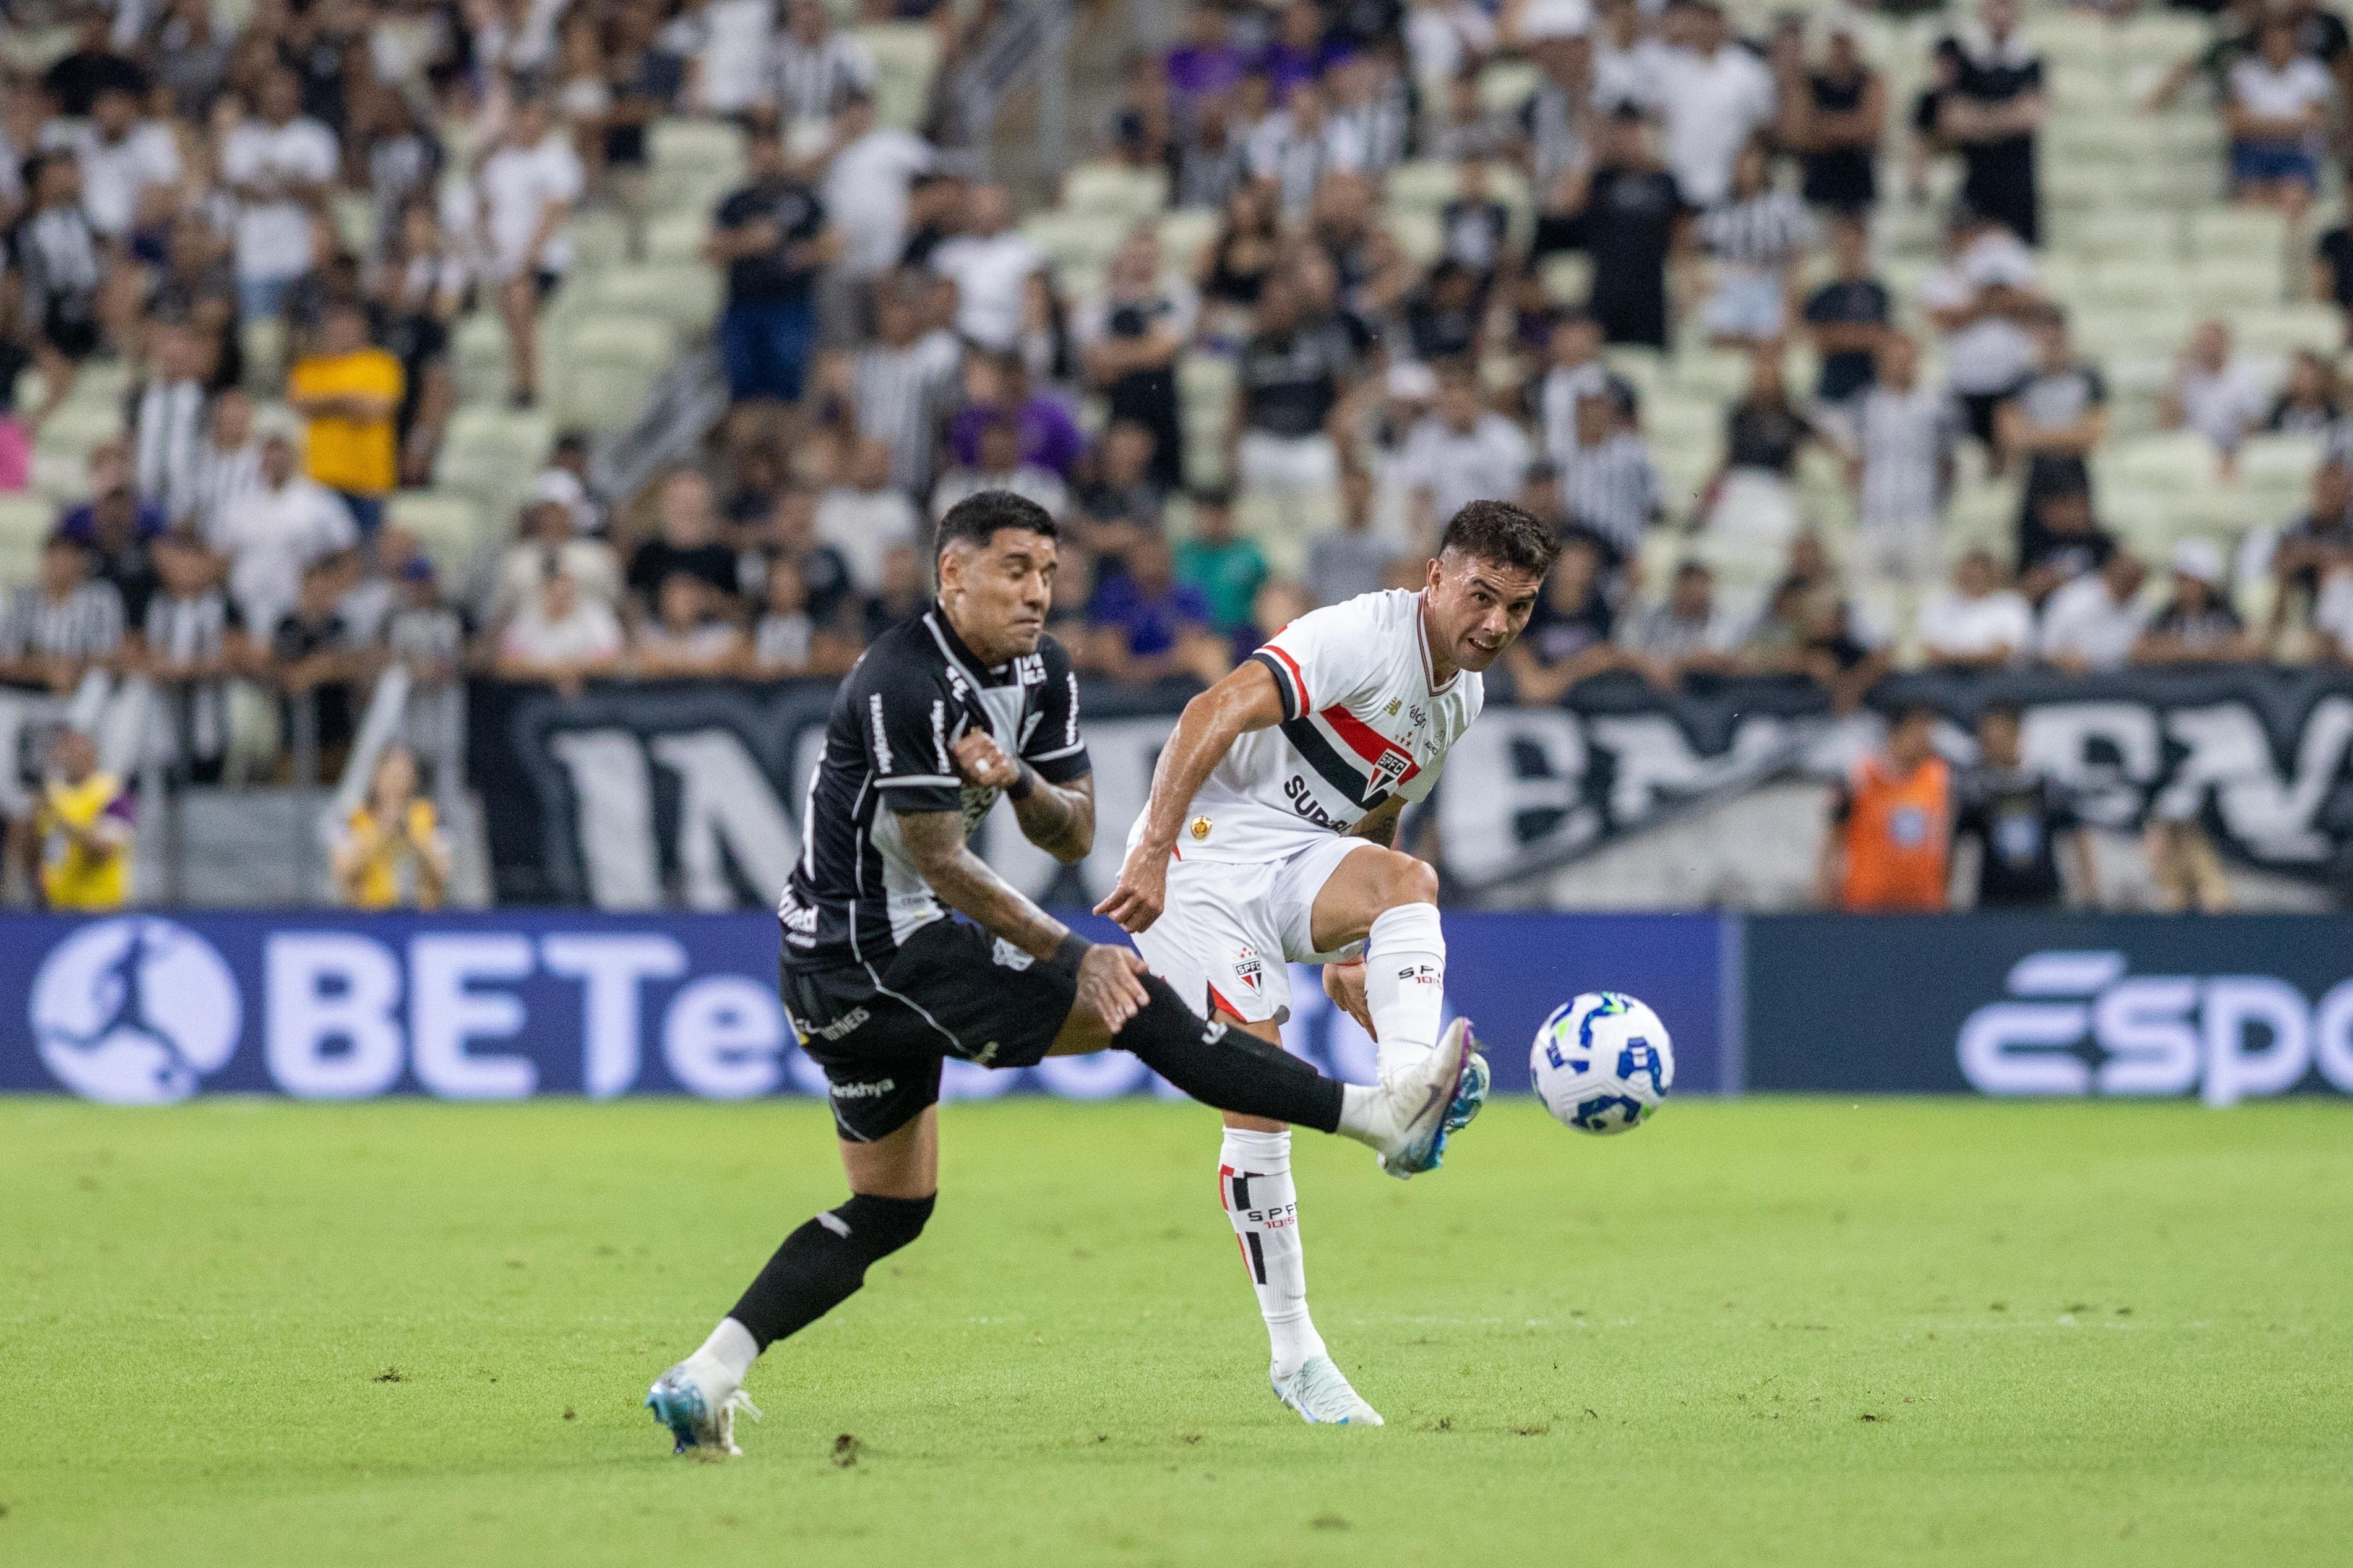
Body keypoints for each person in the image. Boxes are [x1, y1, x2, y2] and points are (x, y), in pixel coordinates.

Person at [645, 490, 1476, 1455]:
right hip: (872, 954)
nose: (1036, 591)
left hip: (847, 973)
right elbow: (942, 862)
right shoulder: (900, 680)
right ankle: (1376, 1115)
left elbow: (1072, 830)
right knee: (1139, 1006)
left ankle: (705, 1375)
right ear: (951, 573)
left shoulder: (1043, 671)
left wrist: (1016, 780)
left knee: (890, 1209)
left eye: (1046, 571)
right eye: (1013, 570)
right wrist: (1073, 954)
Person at [1090, 499, 1554, 1426]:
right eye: (1481, 596)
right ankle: (1295, 1354)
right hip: (1200, 860)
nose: (1496, 623)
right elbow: (1211, 707)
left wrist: (1352, 950)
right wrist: (1150, 849)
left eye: (1519, 606)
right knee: (1258, 1095)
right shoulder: (1359, 637)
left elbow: (1379, 810)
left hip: (1293, 858)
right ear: (1435, 578)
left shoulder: (1460, 696)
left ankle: (1407, 1091)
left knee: (1409, 882)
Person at [707, 119, 835, 407]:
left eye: (770, 150)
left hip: (790, 306)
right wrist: (748, 241)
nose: (765, 159)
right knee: (744, 391)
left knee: (787, 389)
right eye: (758, 151)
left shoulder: (803, 199)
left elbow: (832, 245)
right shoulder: (736, 202)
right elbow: (711, 251)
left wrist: (801, 255)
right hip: (743, 305)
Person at [476, 95, 585, 408]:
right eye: (521, 115)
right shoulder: (499, 162)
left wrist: (527, 261)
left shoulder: (557, 159)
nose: (526, 122)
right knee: (508, 302)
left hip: (545, 262)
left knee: (519, 298)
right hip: (504, 263)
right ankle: (518, 378)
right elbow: (485, 207)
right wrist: (488, 244)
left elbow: (554, 213)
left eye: (532, 115)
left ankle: (528, 386)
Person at [1954, 703, 2096, 912]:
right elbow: (1958, 843)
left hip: (2044, 899)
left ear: (2016, 734)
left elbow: (2077, 834)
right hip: (1994, 902)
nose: (1990, 745)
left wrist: (2090, 890)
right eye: (1985, 739)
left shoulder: (2045, 785)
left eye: (1996, 738)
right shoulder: (1978, 790)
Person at [1816, 704, 1951, 913]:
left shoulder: (1938, 776)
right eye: (1917, 733)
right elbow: (1833, 835)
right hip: (1867, 904)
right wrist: (1822, 890)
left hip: (1923, 905)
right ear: (1896, 733)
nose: (1924, 741)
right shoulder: (1857, 775)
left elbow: (1944, 842)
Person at [286, 301, 403, 533]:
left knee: (367, 546)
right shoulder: (309, 367)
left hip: (369, 480)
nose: (342, 331)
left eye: (349, 325)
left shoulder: (381, 363)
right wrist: (349, 401)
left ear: (362, 327)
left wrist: (326, 403)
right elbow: (298, 404)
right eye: (336, 325)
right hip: (321, 480)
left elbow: (379, 408)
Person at [1849, 333, 1957, 586]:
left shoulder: (1937, 404)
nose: (1900, 365)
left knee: (1927, 589)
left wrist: (1940, 500)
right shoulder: (1866, 404)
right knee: (1869, 593)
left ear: (1917, 361)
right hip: (1876, 513)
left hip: (1922, 513)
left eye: (1905, 359)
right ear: (1881, 363)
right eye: (1893, 359)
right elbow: (1854, 458)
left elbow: (1948, 459)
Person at [1939, 0, 2044, 247]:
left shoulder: (2031, 64)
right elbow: (1953, 119)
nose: (2000, 14)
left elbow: (2031, 117)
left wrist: (1978, 119)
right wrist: (2009, 116)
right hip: (1977, 182)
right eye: (1994, 5)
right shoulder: (1966, 63)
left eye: (2005, 5)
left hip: (2018, 188)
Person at [1398, 362, 1532, 541]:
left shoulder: (1504, 435)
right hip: (1444, 533)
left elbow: (1517, 497)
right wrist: (1424, 544)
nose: (1455, 398)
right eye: (1449, 391)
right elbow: (1420, 497)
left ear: (1476, 394)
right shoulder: (1425, 435)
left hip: (1493, 532)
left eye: (1463, 390)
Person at [1996, 309, 2104, 520]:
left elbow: (2092, 435)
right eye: (2046, 340)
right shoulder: (2019, 381)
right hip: (2034, 472)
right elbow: (2012, 436)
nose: (2052, 347)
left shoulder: (2089, 378)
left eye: (2056, 340)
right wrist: (2069, 436)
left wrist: (2035, 435)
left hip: (2075, 471)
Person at [2224, 16, 2332, 217]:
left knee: (2295, 199)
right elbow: (2236, 124)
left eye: (2284, 40)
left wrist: (2258, 124)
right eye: (2273, 40)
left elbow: (2313, 121)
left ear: (2294, 42)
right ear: (2263, 43)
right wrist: (2292, 123)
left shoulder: (2312, 72)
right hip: (2253, 153)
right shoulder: (2244, 72)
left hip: (2296, 153)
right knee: (2248, 203)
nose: (2278, 46)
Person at [24, 728, 134, 912]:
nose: (68, 757)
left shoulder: (112, 794)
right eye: (64, 750)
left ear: (92, 754)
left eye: (75, 751)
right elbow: (39, 850)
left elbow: (103, 850)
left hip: (99, 908)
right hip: (55, 907)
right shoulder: (52, 793)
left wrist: (60, 820)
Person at [333, 744, 452, 910]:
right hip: (369, 913)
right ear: (376, 776)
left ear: (414, 779)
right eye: (391, 775)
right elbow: (342, 870)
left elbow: (444, 871)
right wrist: (381, 830)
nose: (396, 783)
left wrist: (413, 834)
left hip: (421, 915)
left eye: (403, 775)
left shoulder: (430, 816)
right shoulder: (355, 818)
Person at [2159, 320, 2269, 469]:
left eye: (2209, 343)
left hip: (2231, 452)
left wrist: (2233, 455)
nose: (2204, 349)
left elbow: (2256, 425)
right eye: (2200, 343)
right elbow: (2168, 425)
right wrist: (2177, 376)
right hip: (2191, 453)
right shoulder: (2187, 378)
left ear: (2224, 344)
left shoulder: (2245, 378)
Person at [2132, 540, 2257, 664]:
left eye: (2186, 580)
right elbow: (2139, 650)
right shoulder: (2166, 614)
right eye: (2178, 579)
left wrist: (2201, 652)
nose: (2180, 586)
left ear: (2205, 584)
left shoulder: (2225, 612)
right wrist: (2190, 652)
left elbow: (2250, 648)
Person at [2037, 550, 2148, 675]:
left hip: (2118, 678)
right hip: (2065, 678)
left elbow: (2136, 646)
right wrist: (2063, 659)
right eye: (2128, 579)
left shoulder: (2133, 605)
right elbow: (2045, 649)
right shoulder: (2074, 598)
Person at [1917, 550, 2032, 670]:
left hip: (1998, 676)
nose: (1973, 579)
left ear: (1992, 576)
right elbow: (1929, 650)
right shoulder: (1939, 603)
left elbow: (2004, 652)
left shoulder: (2012, 604)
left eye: (1979, 575)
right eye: (1968, 575)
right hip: (1945, 675)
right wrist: (1971, 658)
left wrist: (1954, 657)